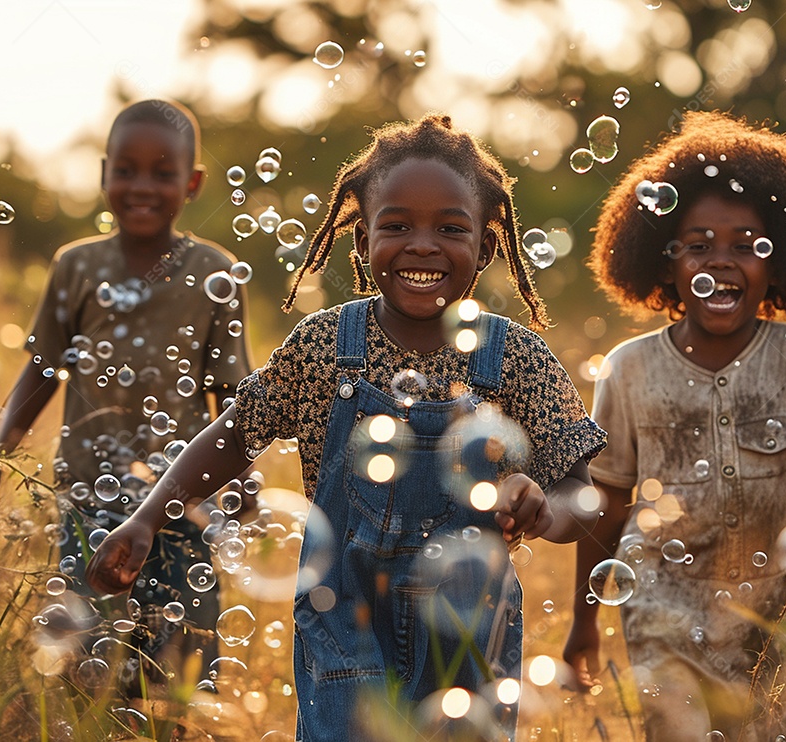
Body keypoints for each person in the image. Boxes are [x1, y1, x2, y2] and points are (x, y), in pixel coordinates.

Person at [86, 113, 608, 741]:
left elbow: (587, 493)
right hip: (343, 624)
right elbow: (235, 432)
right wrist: (148, 516)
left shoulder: (517, 360)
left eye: (450, 227)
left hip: (467, 631)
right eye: (395, 226)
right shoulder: (323, 346)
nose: (422, 245)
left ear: (487, 247)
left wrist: (545, 510)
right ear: (360, 241)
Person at [562, 110, 786, 741]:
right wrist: (584, 620)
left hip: (777, 623)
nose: (722, 262)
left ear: (781, 261)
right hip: (663, 614)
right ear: (664, 263)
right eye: (698, 245)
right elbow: (604, 500)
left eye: (747, 246)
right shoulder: (628, 370)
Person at [0, 99, 251, 691]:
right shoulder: (77, 267)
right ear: (103, 174)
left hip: (182, 501)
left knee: (180, 668)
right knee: (93, 660)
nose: (142, 186)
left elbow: (233, 399)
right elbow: (42, 372)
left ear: (192, 184)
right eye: (126, 169)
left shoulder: (214, 272)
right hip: (89, 497)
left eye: (163, 173)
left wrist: (242, 481)